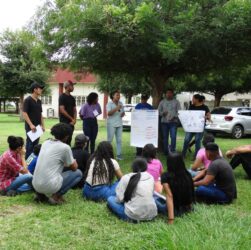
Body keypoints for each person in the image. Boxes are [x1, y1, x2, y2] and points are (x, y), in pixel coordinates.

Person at [32, 123, 82, 204]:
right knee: (78, 173)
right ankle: (56, 196)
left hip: (35, 184)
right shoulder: (65, 147)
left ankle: (40, 195)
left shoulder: (45, 143)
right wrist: (74, 161)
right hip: (49, 185)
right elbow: (74, 168)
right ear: (66, 136)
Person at [107, 158, 157, 222]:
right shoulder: (151, 177)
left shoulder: (126, 178)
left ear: (132, 167)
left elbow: (119, 199)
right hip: (151, 215)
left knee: (110, 199)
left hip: (131, 216)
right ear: (146, 167)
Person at [155, 152, 194, 224]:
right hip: (189, 208)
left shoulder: (166, 176)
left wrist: (171, 219)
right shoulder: (187, 174)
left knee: (154, 199)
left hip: (175, 211)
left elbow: (169, 196)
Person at [182, 94, 211, 158]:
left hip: (199, 127)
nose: (192, 100)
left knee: (197, 140)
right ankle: (183, 154)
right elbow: (188, 115)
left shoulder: (205, 107)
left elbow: (209, 117)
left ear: (197, 99)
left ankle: (197, 155)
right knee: (186, 140)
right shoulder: (191, 106)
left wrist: (205, 117)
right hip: (191, 127)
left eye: (193, 99)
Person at [23, 82, 45, 159]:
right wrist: (31, 125)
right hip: (30, 127)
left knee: (35, 146)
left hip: (38, 127)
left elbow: (40, 114)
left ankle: (32, 163)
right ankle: (27, 165)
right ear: (35, 89)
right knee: (30, 146)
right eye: (40, 88)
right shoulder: (28, 100)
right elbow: (24, 113)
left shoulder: (39, 101)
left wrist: (43, 125)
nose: (41, 90)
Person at [158, 89, 181, 155]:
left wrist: (174, 116)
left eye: (170, 93)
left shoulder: (176, 102)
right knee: (165, 138)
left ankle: (173, 150)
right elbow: (158, 111)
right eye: (167, 93)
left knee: (173, 137)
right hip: (164, 123)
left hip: (173, 122)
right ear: (165, 94)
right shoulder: (162, 102)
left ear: (172, 94)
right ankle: (166, 151)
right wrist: (163, 113)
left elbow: (179, 112)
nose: (168, 94)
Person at [106, 90, 125, 160]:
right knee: (109, 140)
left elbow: (122, 113)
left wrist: (123, 113)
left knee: (119, 140)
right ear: (113, 96)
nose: (118, 96)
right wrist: (117, 108)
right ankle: (107, 155)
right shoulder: (109, 104)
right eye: (117, 95)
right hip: (111, 124)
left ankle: (119, 155)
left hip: (119, 123)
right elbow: (109, 113)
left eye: (119, 95)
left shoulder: (121, 103)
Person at [59, 80, 77, 145]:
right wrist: (72, 119)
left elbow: (74, 110)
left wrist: (74, 120)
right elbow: (62, 110)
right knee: (63, 140)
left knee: (69, 139)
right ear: (67, 87)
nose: (73, 87)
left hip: (71, 123)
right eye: (72, 86)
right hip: (64, 123)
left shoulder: (72, 98)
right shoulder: (62, 97)